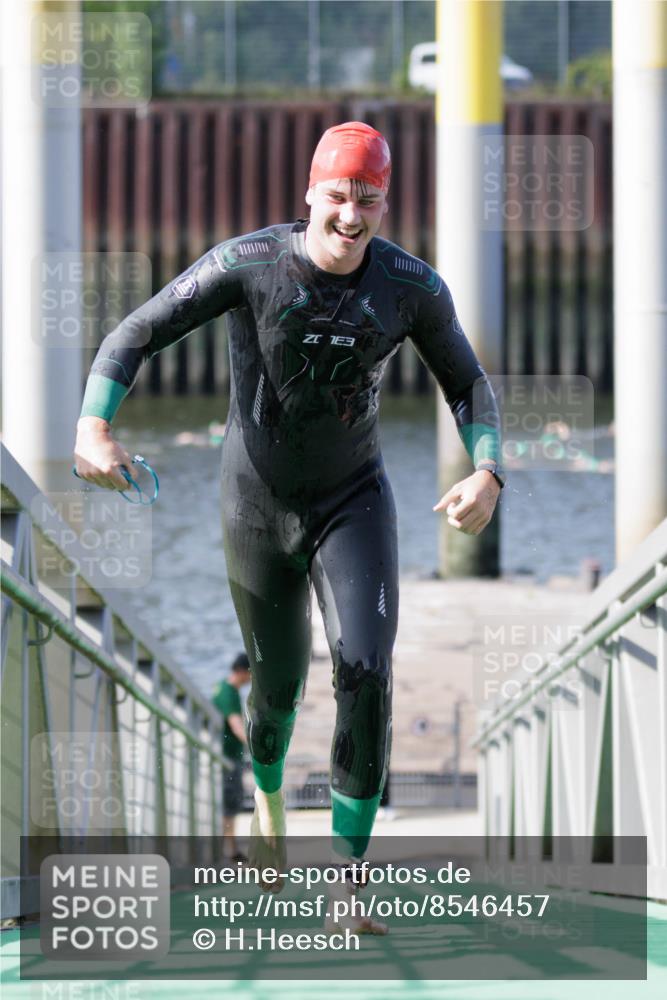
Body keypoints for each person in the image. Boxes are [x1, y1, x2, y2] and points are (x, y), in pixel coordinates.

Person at [73, 121, 503, 932]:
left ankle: (347, 878)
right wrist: (94, 425)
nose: (351, 214)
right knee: (274, 697)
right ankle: (267, 792)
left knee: (366, 669)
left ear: (385, 201)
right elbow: (137, 330)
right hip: (255, 506)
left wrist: (487, 469)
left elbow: (469, 383)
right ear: (310, 193)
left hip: (354, 499)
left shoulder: (410, 286)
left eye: (367, 197)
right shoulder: (251, 263)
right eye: (337, 195)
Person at [212, 652, 252, 862]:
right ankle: (230, 849)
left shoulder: (221, 687)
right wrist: (256, 748)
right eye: (250, 672)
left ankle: (231, 847)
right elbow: (236, 725)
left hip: (224, 754)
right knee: (230, 804)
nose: (252, 677)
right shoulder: (229, 692)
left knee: (229, 803)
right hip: (228, 756)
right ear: (241, 671)